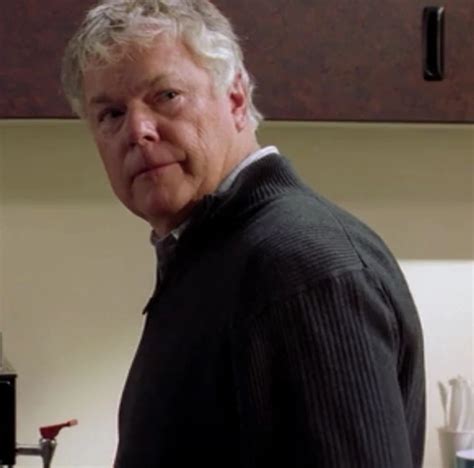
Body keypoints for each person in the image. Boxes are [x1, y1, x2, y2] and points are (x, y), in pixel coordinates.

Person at [61, 0, 426, 466]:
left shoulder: (301, 266)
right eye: (111, 114)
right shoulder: (211, 253)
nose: (138, 130)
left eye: (166, 95)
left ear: (235, 98)